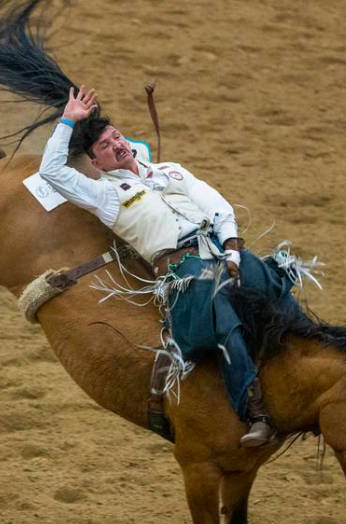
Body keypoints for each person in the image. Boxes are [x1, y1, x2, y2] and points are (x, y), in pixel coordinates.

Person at [39, 86, 291, 447]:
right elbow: (50, 171)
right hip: (183, 272)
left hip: (220, 250)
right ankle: (256, 411)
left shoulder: (171, 171)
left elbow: (217, 205)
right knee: (222, 312)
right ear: (96, 164)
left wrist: (233, 249)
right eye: (106, 147)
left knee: (275, 281)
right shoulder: (104, 194)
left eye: (117, 137)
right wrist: (67, 120)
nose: (117, 145)